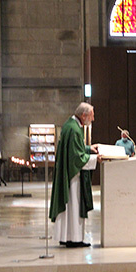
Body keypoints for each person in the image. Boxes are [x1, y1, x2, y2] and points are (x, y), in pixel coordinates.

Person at [50, 102, 101, 248]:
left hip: (69, 174)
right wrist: (94, 158)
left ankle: (66, 236)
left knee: (70, 207)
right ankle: (74, 239)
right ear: (83, 115)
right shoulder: (74, 129)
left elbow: (75, 148)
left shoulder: (71, 125)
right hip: (73, 177)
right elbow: (77, 158)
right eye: (91, 116)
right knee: (74, 205)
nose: (93, 119)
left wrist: (88, 148)